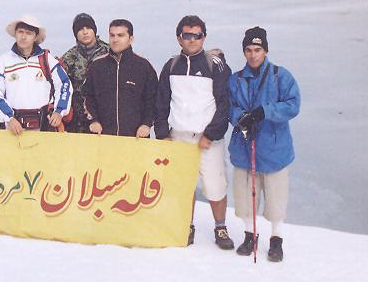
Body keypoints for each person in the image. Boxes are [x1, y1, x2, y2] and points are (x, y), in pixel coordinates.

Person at [155, 15, 234, 250]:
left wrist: (211, 134)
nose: (192, 40)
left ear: (204, 37)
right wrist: (163, 134)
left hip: (207, 139)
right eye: (187, 35)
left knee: (215, 185)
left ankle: (220, 227)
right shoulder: (171, 66)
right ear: (179, 38)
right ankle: (186, 226)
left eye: (197, 35)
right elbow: (161, 103)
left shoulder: (215, 65)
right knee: (183, 185)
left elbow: (224, 104)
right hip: (179, 137)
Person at [228, 26, 300, 262]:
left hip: (273, 150)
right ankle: (250, 236)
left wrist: (264, 112)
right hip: (244, 149)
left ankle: (276, 240)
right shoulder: (236, 79)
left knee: (276, 202)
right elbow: (228, 106)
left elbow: (293, 105)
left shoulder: (281, 76)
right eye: (248, 50)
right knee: (245, 199)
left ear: (265, 51)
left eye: (257, 50)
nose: (253, 55)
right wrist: (241, 117)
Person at [0, 14, 72, 134]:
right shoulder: (3, 61)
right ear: (15, 34)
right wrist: (9, 118)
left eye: (28, 33)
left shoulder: (47, 60)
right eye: (20, 32)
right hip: (14, 129)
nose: (23, 37)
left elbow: (64, 84)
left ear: (35, 37)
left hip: (45, 128)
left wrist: (59, 111)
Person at [82, 19, 157, 138]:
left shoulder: (143, 67)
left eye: (120, 35)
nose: (115, 39)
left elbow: (152, 99)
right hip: (102, 137)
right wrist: (93, 120)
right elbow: (87, 97)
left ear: (131, 39)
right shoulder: (97, 66)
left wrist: (146, 124)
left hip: (136, 138)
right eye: (112, 35)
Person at [61, 13, 110, 133]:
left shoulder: (109, 52)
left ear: (94, 30)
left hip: (106, 118)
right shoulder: (68, 58)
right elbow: (62, 88)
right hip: (78, 122)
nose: (85, 32)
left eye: (88, 28)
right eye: (80, 29)